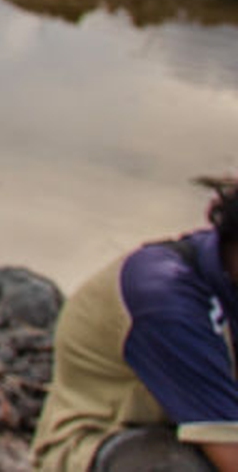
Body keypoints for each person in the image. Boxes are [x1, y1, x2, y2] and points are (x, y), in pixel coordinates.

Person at [32, 183, 238, 471]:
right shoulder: (166, 297)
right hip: (107, 443)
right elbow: (232, 456)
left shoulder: (225, 271)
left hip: (197, 431)